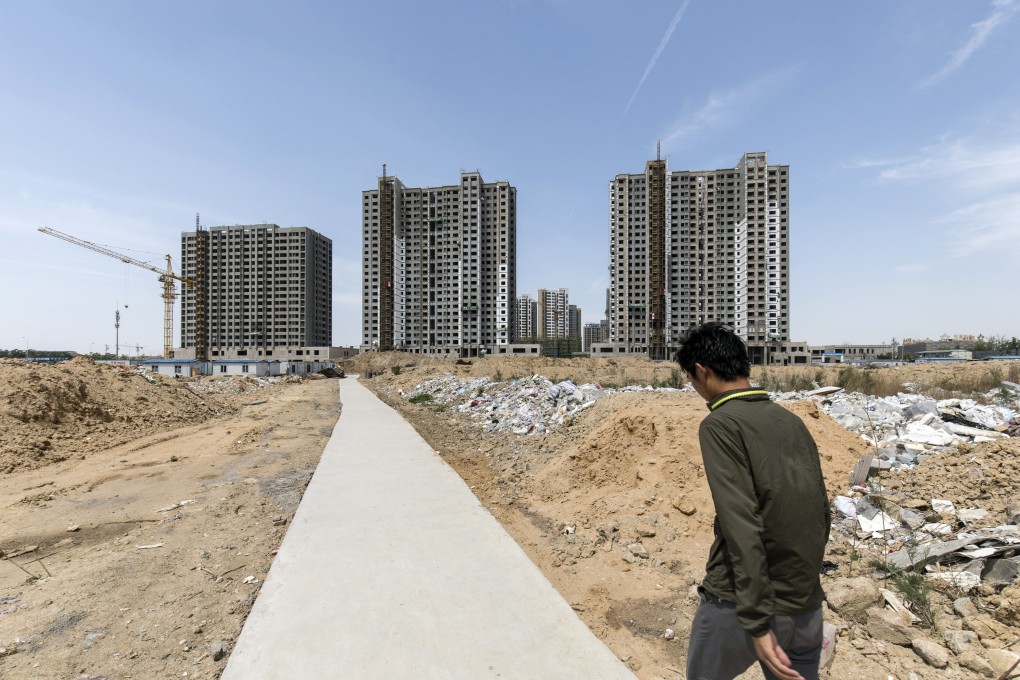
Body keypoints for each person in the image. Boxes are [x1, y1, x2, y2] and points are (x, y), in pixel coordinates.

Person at [676, 323, 831, 680]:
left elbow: (741, 523)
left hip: (739, 607)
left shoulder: (721, 425)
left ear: (702, 370)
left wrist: (758, 622)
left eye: (691, 378)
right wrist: (803, 590)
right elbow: (820, 512)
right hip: (805, 606)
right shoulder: (792, 422)